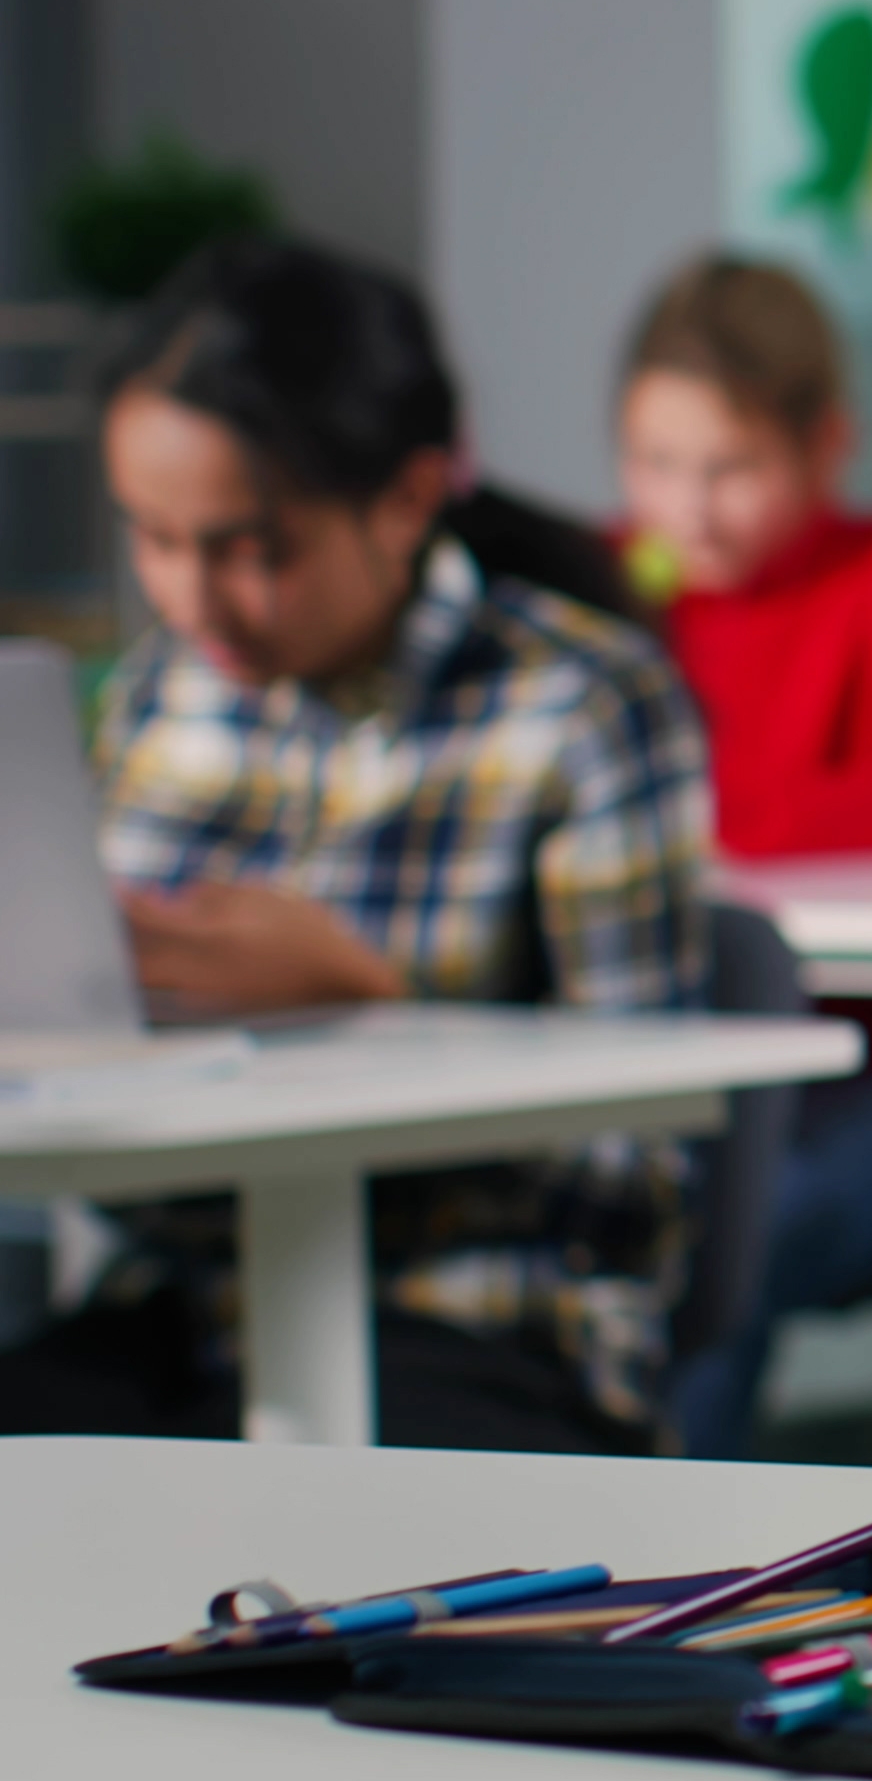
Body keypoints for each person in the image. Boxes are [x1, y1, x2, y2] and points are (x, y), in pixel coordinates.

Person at [0, 237, 710, 1451]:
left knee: (278, 1527)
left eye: (251, 549)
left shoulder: (578, 703)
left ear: (407, 499)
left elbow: (639, 1161)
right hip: (176, 1304)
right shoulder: (166, 697)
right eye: (153, 538)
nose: (190, 598)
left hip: (470, 1318)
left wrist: (377, 1001)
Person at [611, 254, 872, 1459]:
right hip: (675, 1060)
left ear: (827, 443)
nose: (687, 509)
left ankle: (672, 1544)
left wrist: (685, 809)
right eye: (654, 466)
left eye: (730, 468)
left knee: (725, 1222)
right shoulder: (610, 584)